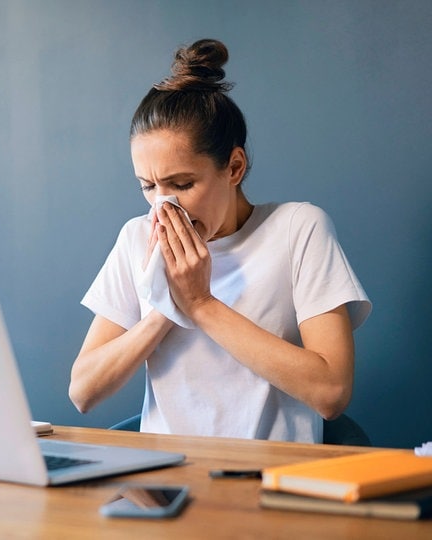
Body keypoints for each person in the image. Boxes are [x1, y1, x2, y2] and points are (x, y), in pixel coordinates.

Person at [68, 39, 371, 442]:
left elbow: (331, 392)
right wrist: (165, 305)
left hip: (272, 483)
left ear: (234, 167)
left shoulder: (299, 229)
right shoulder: (136, 238)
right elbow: (83, 391)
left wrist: (201, 303)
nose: (163, 205)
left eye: (182, 183)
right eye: (147, 186)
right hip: (166, 480)